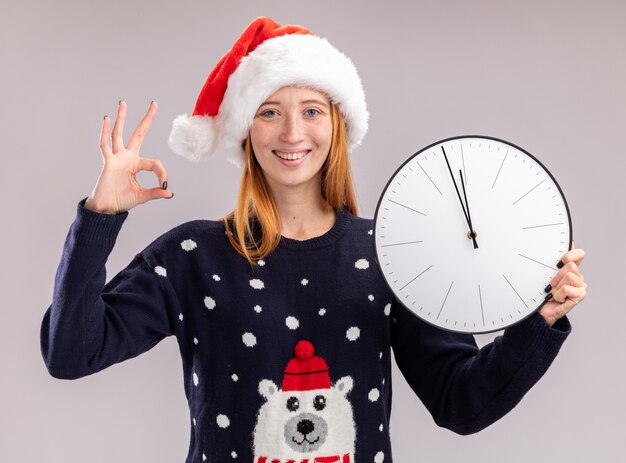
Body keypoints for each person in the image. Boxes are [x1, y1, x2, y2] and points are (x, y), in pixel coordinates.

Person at [40, 17, 587, 463]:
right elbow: (70, 352)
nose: (292, 133)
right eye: (269, 112)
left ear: (338, 126)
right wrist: (100, 215)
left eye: (311, 111)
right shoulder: (192, 256)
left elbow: (461, 403)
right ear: (245, 132)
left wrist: (540, 320)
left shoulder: (390, 253)